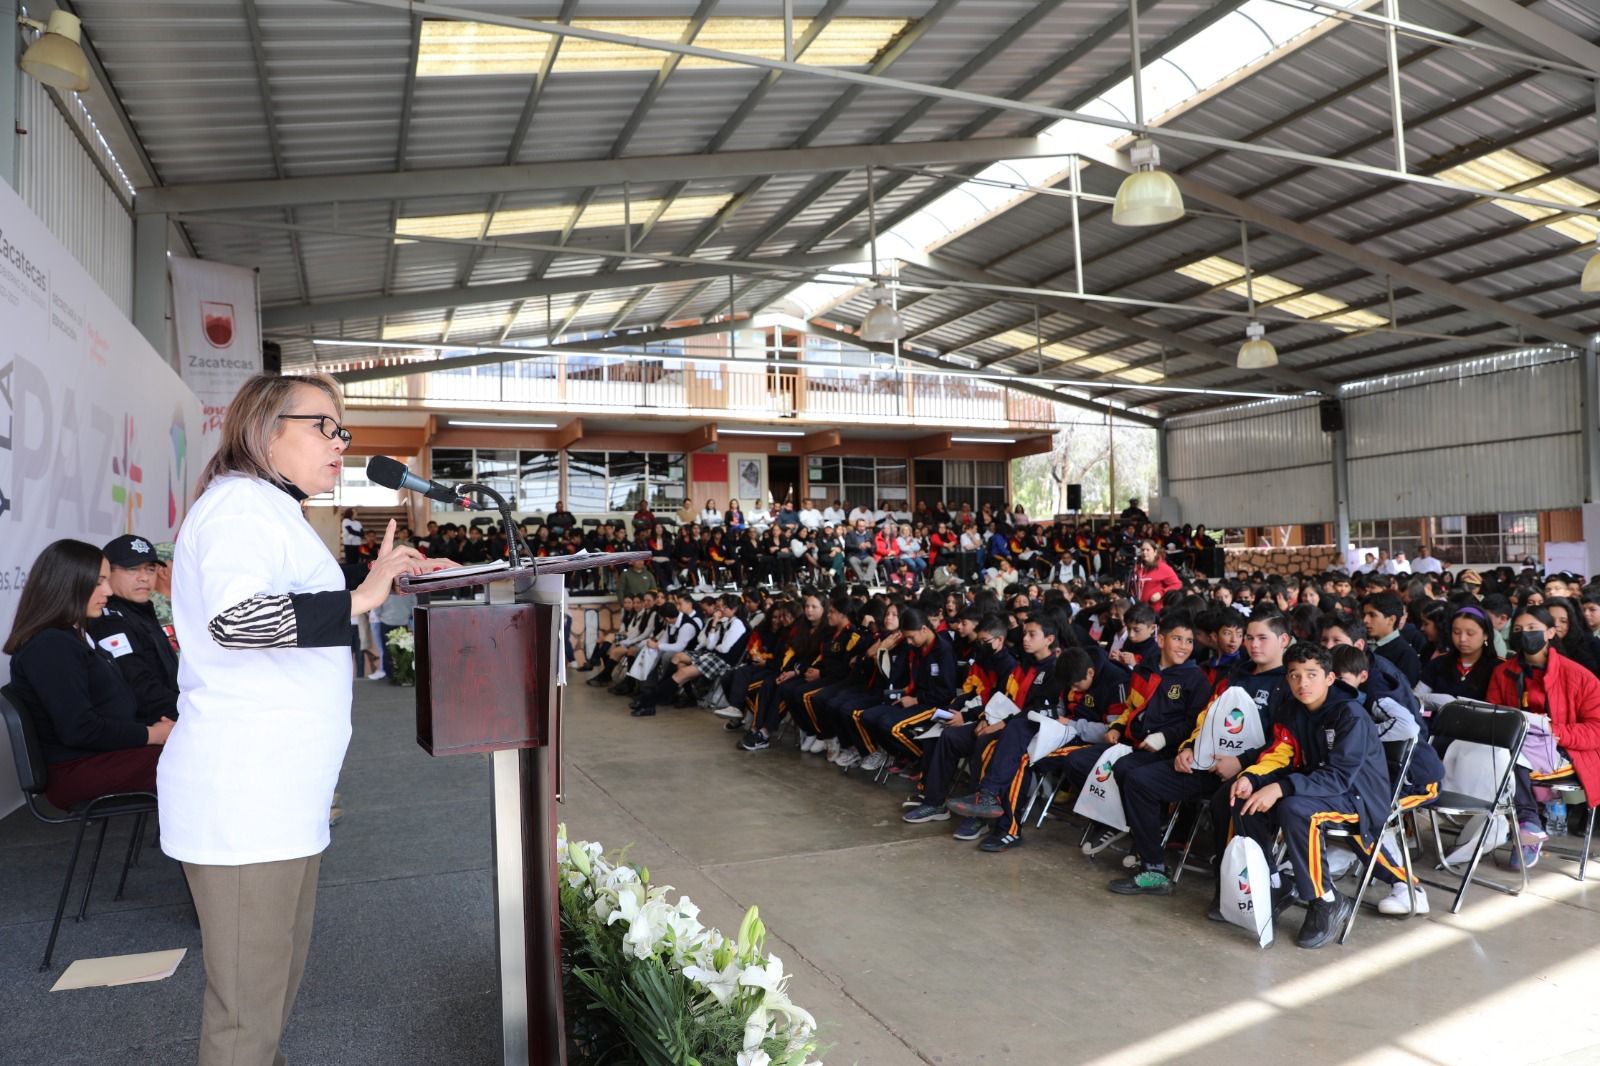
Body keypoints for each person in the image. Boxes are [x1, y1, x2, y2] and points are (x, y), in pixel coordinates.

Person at [159, 373, 450, 1066]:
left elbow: (300, 627)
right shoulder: (237, 509)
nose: (340, 443)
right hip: (245, 800)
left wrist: (378, 587)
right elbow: (238, 620)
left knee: (270, 996)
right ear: (263, 428)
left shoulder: (272, 512)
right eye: (323, 425)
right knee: (245, 1018)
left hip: (283, 796)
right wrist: (359, 598)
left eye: (341, 429)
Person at [1225, 642, 1422, 949]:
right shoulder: (1292, 710)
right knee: (1244, 800)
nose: (1303, 683)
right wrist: (1252, 777)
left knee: (1295, 809)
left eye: (1312, 674)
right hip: (1316, 787)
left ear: (1330, 678)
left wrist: (1280, 787)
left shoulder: (1350, 715)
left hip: (1358, 797)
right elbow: (1282, 754)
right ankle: (1273, 885)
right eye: (1294, 675)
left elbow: (1340, 777)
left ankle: (1326, 899)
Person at [4, 539, 174, 811]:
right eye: (98, 582)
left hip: (103, 757)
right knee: (202, 758)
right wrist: (152, 734)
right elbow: (80, 729)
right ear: (68, 585)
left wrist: (163, 730)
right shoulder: (51, 645)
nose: (107, 590)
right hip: (79, 771)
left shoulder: (72, 637)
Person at [1485, 605, 1600, 870]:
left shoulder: (1579, 676)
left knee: (1510, 755)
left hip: (1566, 749)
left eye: (1533, 629)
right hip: (1516, 745)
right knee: (1493, 751)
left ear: (1550, 632)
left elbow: (1596, 729)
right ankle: (1509, 824)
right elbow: (1493, 716)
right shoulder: (1503, 673)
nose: (1525, 635)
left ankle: (1526, 824)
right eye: (1518, 630)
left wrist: (1554, 731)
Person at [85, 533, 181, 725]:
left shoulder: (142, 611)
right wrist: (191, 715)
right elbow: (140, 689)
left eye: (150, 569)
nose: (144, 578)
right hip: (145, 732)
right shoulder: (108, 622)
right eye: (132, 569)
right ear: (107, 573)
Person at [1129, 539, 1181, 607]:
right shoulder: (1137, 567)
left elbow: (1177, 584)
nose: (1144, 552)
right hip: (1137, 607)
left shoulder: (1163, 567)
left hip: (1154, 610)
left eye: (1148, 550)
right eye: (1142, 550)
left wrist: (1161, 593)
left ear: (1155, 552)